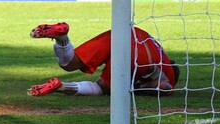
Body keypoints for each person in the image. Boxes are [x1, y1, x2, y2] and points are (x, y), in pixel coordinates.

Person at [26, 21, 179, 97]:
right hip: (140, 55)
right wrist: (132, 89)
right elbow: (164, 87)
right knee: (103, 88)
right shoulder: (169, 76)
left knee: (70, 63)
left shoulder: (161, 51)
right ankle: (61, 86)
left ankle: (63, 38)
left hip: (126, 33)